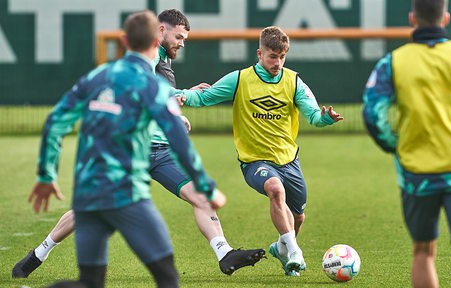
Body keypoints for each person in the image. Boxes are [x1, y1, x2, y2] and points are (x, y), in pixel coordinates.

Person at [12, 8, 264, 280]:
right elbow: (141, 90)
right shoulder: (150, 56)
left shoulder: (155, 61)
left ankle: (224, 252)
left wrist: (176, 106)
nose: (182, 42)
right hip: (131, 154)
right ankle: (40, 252)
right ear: (159, 32)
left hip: (158, 151)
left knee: (193, 201)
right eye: (179, 36)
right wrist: (175, 110)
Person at [174, 26, 343, 276]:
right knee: (275, 190)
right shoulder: (240, 79)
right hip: (255, 162)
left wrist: (326, 118)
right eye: (272, 56)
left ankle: (282, 248)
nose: (277, 62)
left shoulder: (294, 81)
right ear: (259, 54)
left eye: (282, 57)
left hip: (288, 161)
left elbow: (314, 116)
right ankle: (295, 251)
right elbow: (205, 97)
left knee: (298, 218)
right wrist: (181, 96)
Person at [362, 1, 451, 287]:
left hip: (417, 174)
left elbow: (372, 114)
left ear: (412, 18)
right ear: (446, 18)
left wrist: (396, 145)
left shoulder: (393, 62)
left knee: (423, 252)